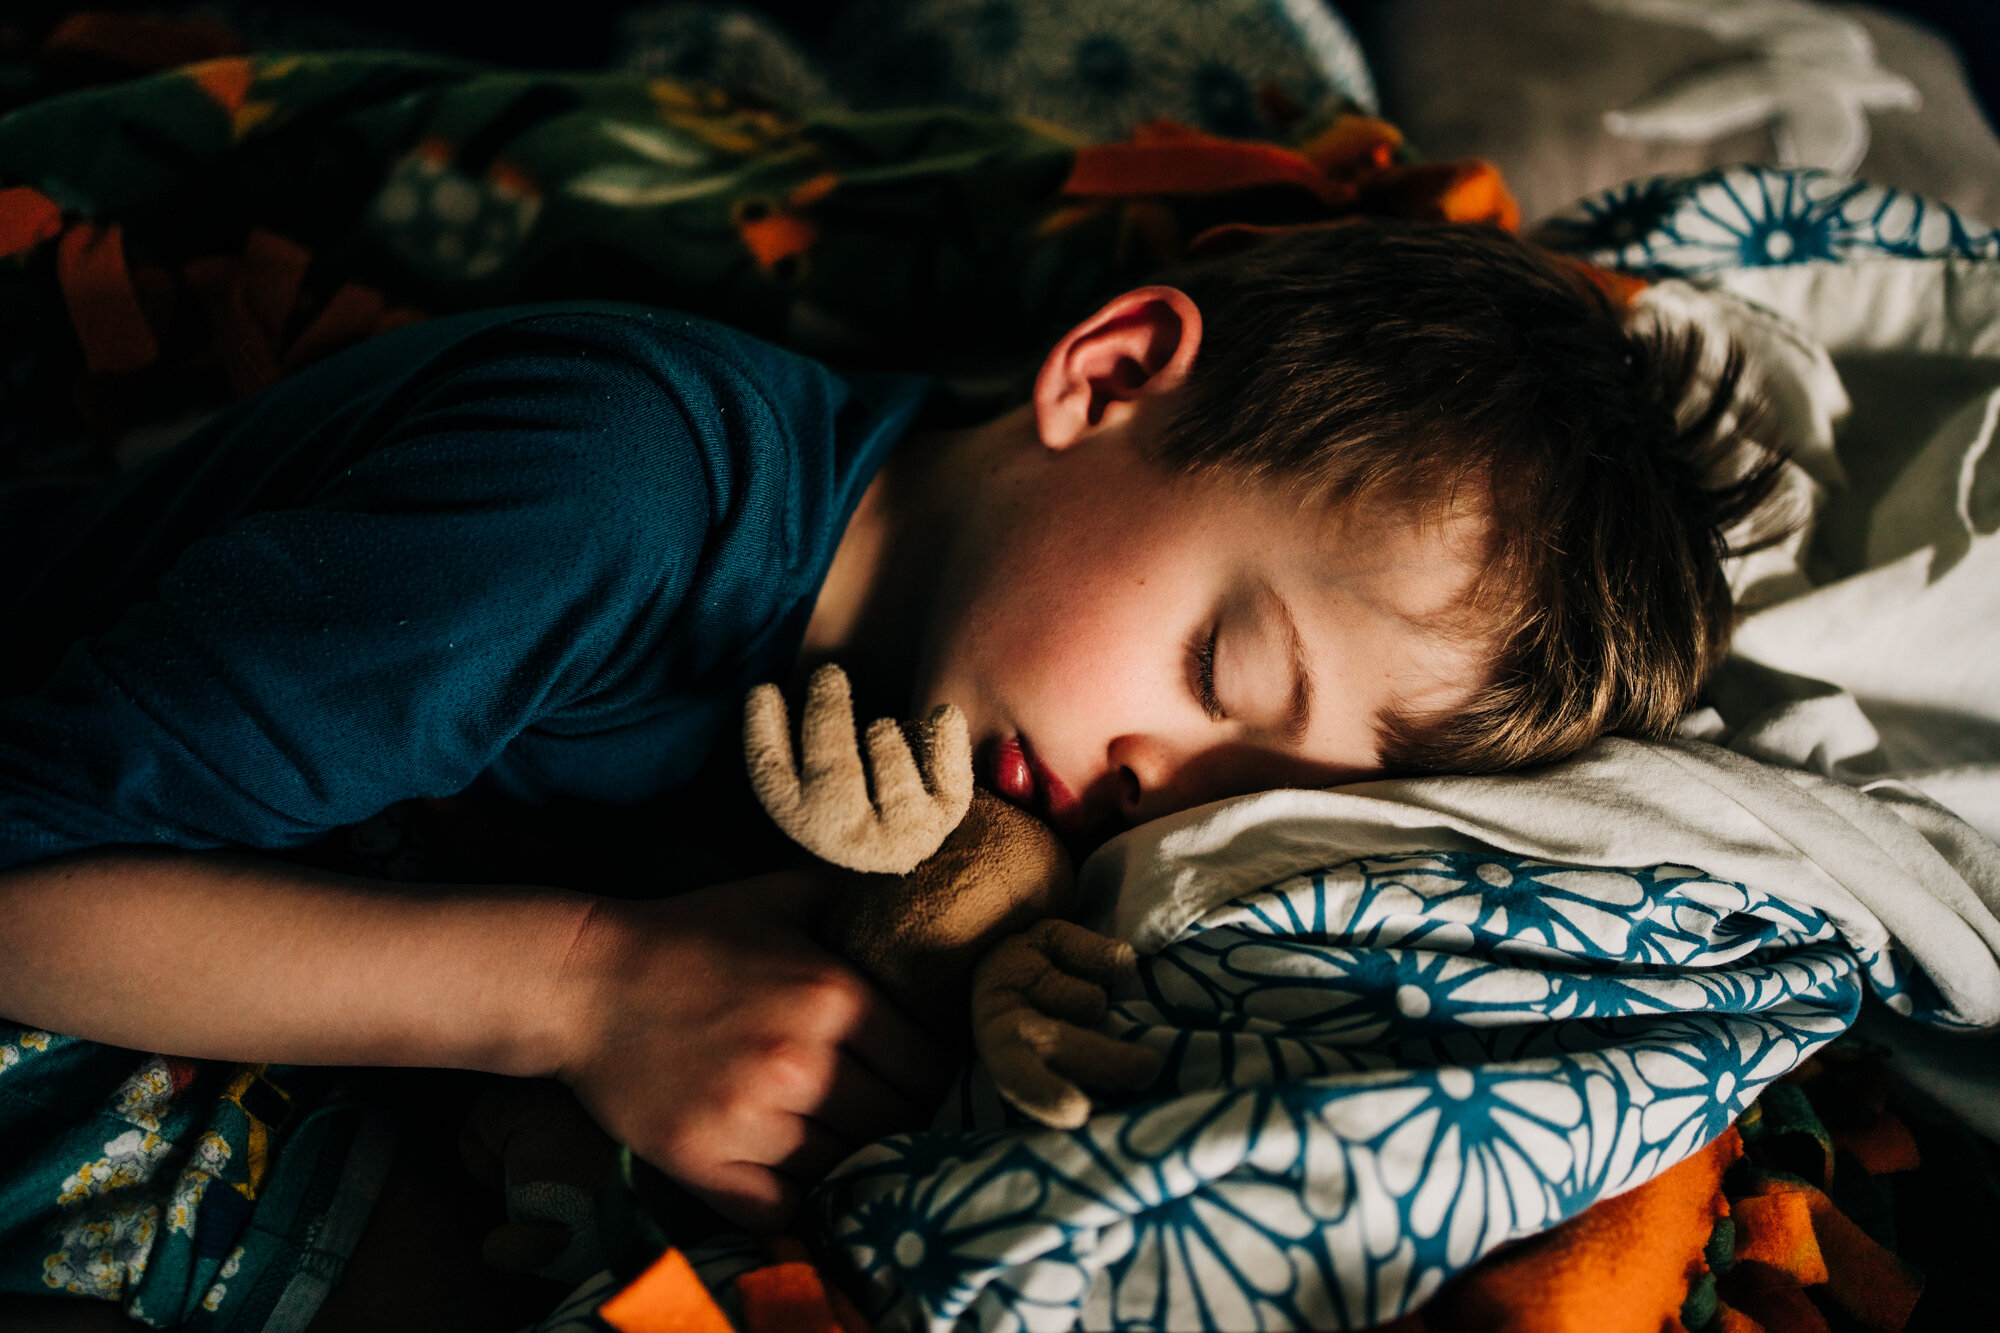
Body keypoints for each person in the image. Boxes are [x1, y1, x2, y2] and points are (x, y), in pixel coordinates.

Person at [0, 219, 1780, 1331]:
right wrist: (586, 983)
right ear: (1110, 372)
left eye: (1227, 794)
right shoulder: (603, 499)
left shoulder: (974, 765)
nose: (1146, 787)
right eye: (1223, 669)